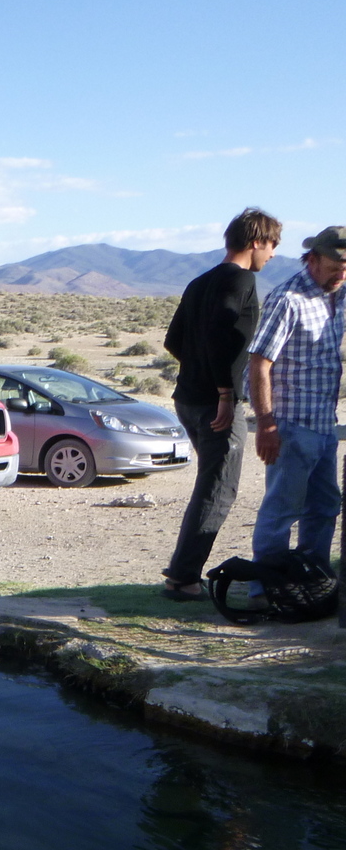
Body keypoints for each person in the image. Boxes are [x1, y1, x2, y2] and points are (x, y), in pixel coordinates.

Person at [160, 208, 282, 600]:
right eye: (273, 245)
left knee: (210, 485)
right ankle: (182, 578)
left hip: (187, 399)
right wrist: (226, 393)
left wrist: (198, 372)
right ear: (255, 242)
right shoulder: (241, 280)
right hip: (216, 404)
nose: (274, 254)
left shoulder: (199, 282)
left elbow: (174, 341)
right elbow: (223, 337)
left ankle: (182, 573)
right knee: (219, 488)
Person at [247, 226, 346, 600]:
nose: (341, 272)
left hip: (324, 424)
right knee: (282, 510)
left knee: (324, 508)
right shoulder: (287, 299)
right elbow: (259, 364)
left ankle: (311, 584)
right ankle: (266, 591)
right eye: (335, 264)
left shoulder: (338, 295)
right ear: (312, 259)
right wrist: (266, 423)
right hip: (290, 424)